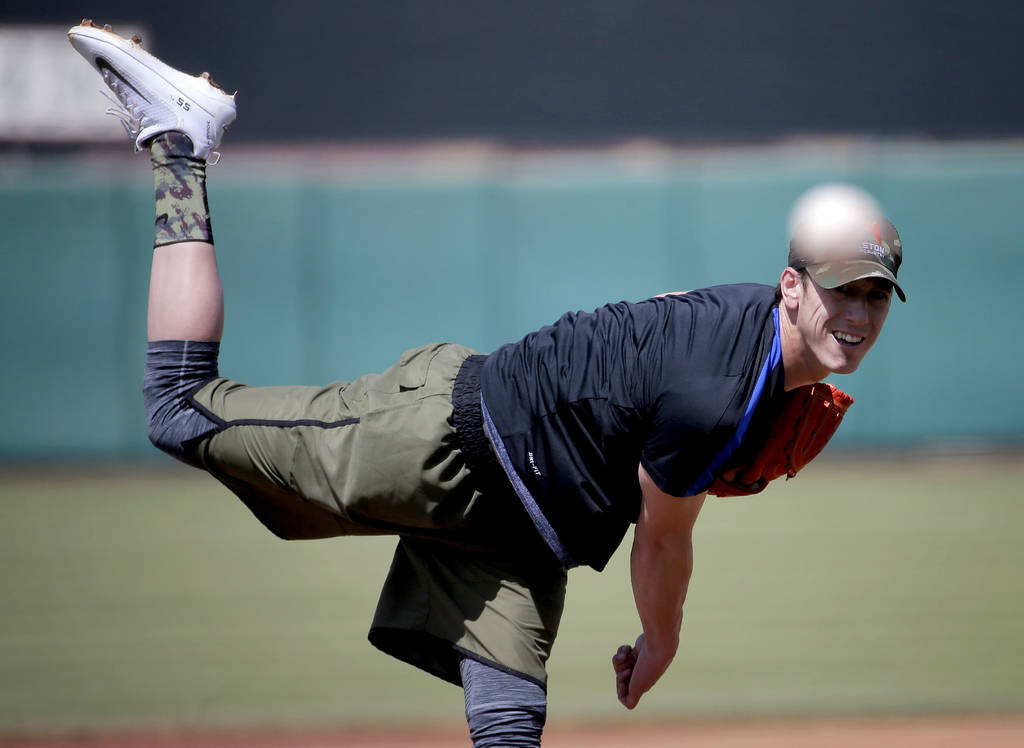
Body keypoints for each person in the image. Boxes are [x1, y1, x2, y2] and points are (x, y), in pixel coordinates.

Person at [68, 20, 906, 747]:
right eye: (841, 290)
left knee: (509, 724)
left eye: (875, 295)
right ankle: (181, 141)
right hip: (448, 443)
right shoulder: (717, 390)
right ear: (792, 286)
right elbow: (663, 540)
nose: (859, 315)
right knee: (177, 410)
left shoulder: (754, 342)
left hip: (529, 527)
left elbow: (651, 329)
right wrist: (662, 642)